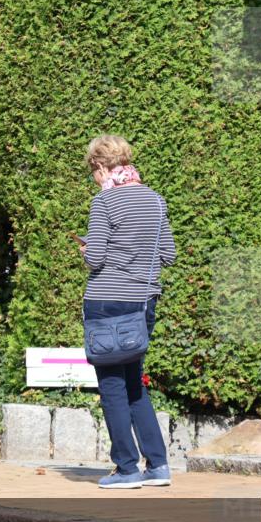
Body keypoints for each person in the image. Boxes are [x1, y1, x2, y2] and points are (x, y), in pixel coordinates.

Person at [81, 136, 176, 489]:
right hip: (142, 304)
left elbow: (95, 258)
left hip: (106, 302)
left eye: (93, 171)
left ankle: (126, 469)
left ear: (102, 166)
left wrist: (86, 250)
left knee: (112, 388)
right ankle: (158, 466)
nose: (94, 177)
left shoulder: (104, 201)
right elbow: (168, 254)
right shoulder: (155, 200)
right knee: (135, 383)